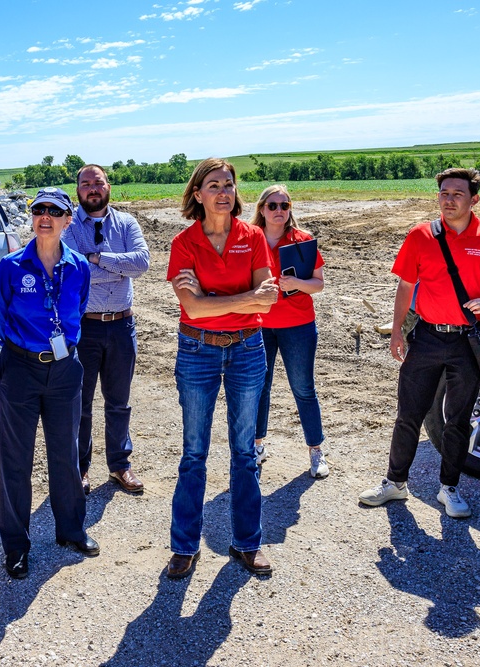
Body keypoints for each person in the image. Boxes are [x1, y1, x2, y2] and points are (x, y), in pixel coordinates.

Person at [358, 168, 480, 518]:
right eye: (444, 193)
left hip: (468, 342)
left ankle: (449, 489)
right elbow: (405, 286)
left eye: (457, 194)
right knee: (409, 415)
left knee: (458, 419)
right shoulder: (421, 236)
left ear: (474, 199)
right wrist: (398, 329)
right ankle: (395, 483)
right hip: (428, 338)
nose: (449, 200)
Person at [165, 158, 279, 579]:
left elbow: (267, 301)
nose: (223, 192)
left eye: (228, 184)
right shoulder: (185, 242)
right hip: (197, 351)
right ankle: (184, 546)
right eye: (214, 185)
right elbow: (190, 307)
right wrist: (243, 299)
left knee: (244, 452)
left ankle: (247, 543)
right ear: (198, 194)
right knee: (194, 452)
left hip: (248, 349)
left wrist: (217, 301)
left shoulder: (252, 236)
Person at [0, 187, 98, 579]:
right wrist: (25, 354)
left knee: (66, 453)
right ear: (32, 217)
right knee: (16, 461)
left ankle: (70, 530)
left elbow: (79, 307)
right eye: (39, 210)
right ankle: (16, 546)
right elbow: (2, 320)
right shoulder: (10, 266)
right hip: (20, 368)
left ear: (69, 220)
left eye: (55, 211)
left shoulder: (79, 268)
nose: (45, 216)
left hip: (65, 370)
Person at [62, 164, 150, 496]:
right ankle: (80, 469)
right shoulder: (68, 226)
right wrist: (116, 266)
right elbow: (73, 271)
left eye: (97, 183)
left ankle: (119, 466)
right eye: (86, 184)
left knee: (119, 402)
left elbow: (141, 263)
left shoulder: (127, 223)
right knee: (80, 403)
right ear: (78, 191)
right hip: (85, 327)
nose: (92, 189)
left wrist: (97, 259)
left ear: (108, 186)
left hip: (122, 325)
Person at [250, 184, 328, 477]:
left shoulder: (302, 241)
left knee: (304, 389)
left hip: (298, 326)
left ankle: (316, 451)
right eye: (273, 205)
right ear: (262, 209)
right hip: (259, 326)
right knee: (259, 389)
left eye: (284, 205)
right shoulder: (250, 239)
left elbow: (319, 284)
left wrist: (296, 285)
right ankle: (257, 445)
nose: (279, 211)